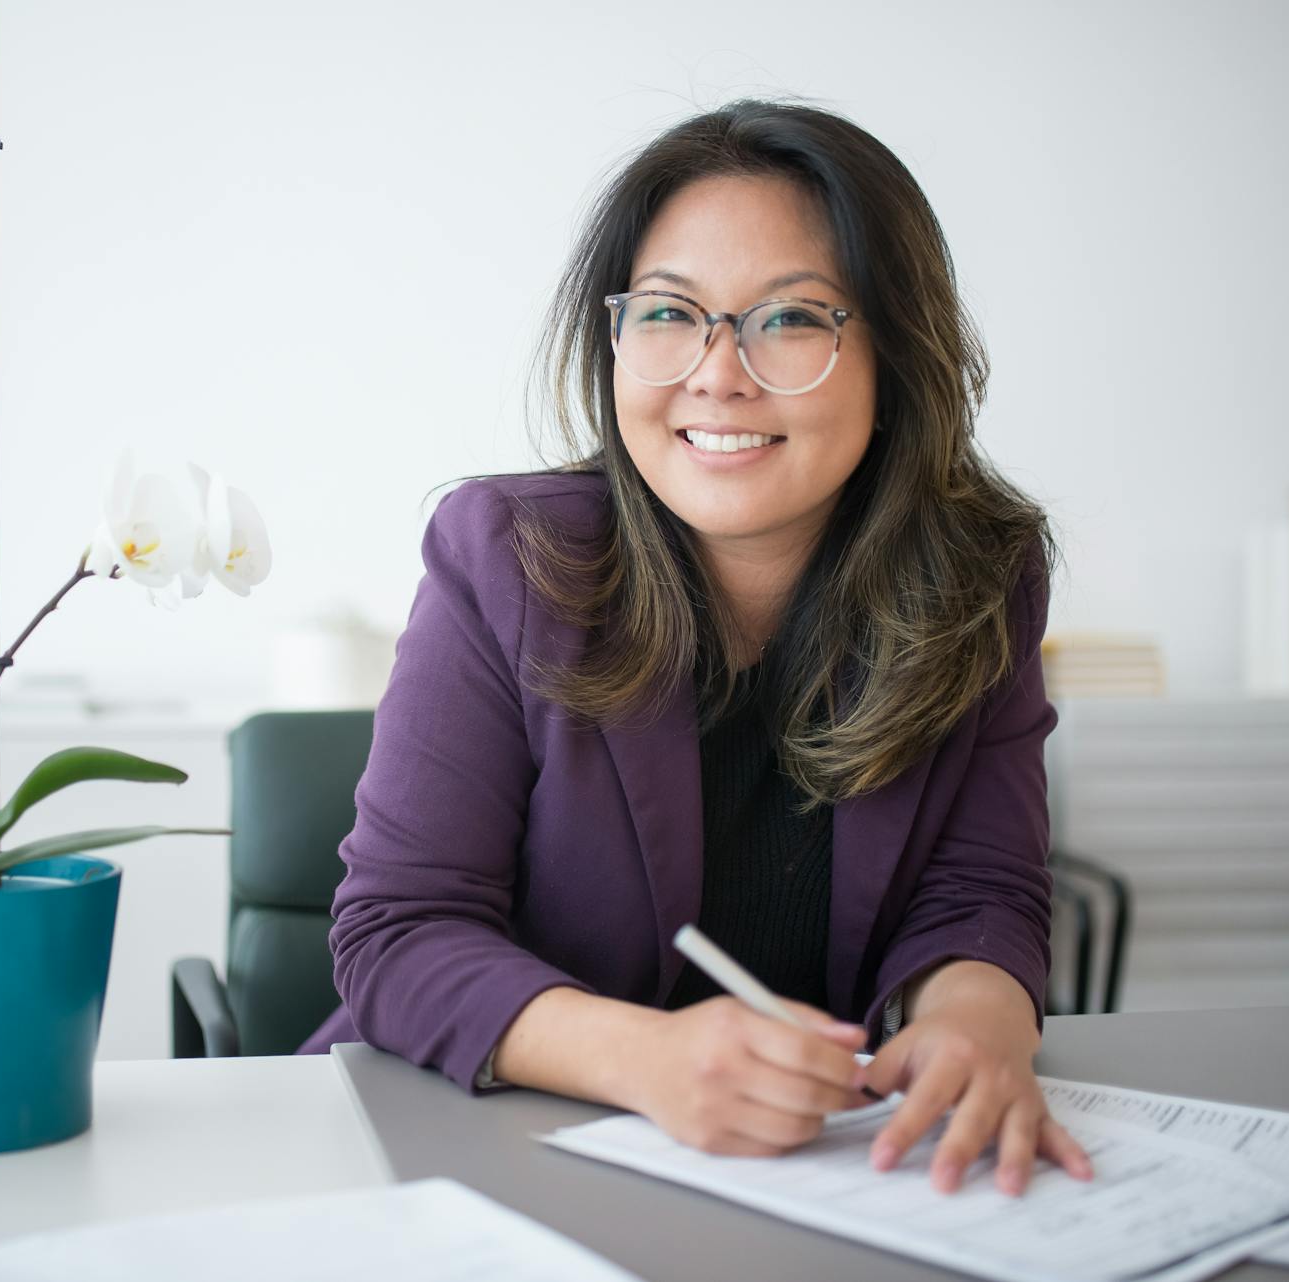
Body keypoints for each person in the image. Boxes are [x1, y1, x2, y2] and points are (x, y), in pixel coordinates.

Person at [297, 98, 1094, 1199]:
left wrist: (976, 1020)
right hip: (471, 1164)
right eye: (670, 313)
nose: (718, 374)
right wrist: (647, 1059)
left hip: (820, 1185)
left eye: (791, 319)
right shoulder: (507, 559)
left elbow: (981, 893)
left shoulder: (976, 577)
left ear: (896, 357)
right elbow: (397, 932)